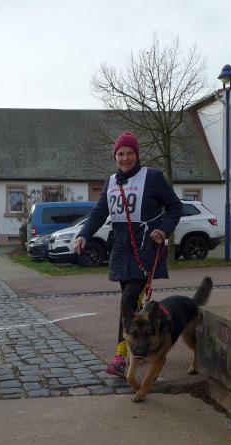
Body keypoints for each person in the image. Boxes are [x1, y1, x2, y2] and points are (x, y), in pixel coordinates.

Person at [74, 131, 182, 378]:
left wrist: (163, 229)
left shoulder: (152, 177)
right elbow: (99, 213)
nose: (125, 158)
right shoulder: (111, 182)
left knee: (128, 302)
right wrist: (83, 234)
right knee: (133, 304)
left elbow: (175, 207)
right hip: (121, 249)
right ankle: (143, 346)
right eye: (120, 154)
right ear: (115, 156)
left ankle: (120, 356)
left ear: (137, 154)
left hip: (145, 248)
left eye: (130, 153)